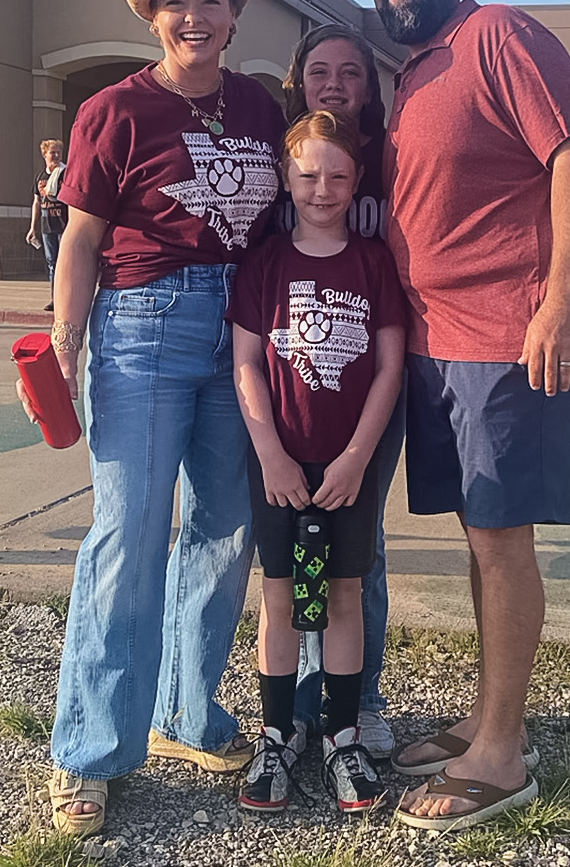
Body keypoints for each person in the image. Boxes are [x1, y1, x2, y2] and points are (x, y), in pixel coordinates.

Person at [17, 0, 287, 835]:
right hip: (144, 326)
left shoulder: (257, 107)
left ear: (233, 13)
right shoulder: (115, 110)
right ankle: (87, 753)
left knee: (225, 528)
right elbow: (82, 239)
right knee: (128, 533)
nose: (194, 16)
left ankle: (185, 713)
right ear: (154, 16)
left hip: (239, 333)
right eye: (176, 1)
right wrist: (67, 343)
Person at [348, 0, 570, 830]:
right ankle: (493, 720)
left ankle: (502, 755)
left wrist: (566, 299)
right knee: (475, 534)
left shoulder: (501, 33)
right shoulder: (414, 69)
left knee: (502, 540)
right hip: (436, 340)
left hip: (506, 336)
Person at [229, 110, 404, 813]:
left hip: (347, 467)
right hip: (280, 462)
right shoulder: (266, 262)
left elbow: (390, 369)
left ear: (355, 180)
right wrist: (270, 452)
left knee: (342, 595)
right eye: (308, 174)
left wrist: (359, 457)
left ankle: (341, 737)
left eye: (336, 176)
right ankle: (276, 735)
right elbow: (245, 362)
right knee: (279, 596)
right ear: (285, 177)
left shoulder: (372, 261)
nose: (322, 188)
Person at [280, 26, 400, 760]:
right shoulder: (284, 156)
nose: (334, 84)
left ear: (369, 87)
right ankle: (295, 709)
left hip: (372, 368)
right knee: (290, 554)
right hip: (294, 376)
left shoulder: (391, 161)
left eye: (350, 73)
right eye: (319, 71)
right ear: (298, 81)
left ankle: (361, 700)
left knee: (363, 549)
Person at [26, 139, 68, 311]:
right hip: (47, 227)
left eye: (59, 152)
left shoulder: (66, 174)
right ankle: (54, 299)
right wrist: (32, 228)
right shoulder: (40, 177)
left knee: (65, 264)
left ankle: (66, 299)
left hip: (64, 226)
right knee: (52, 264)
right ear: (45, 155)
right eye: (53, 152)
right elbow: (37, 203)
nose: (56, 155)